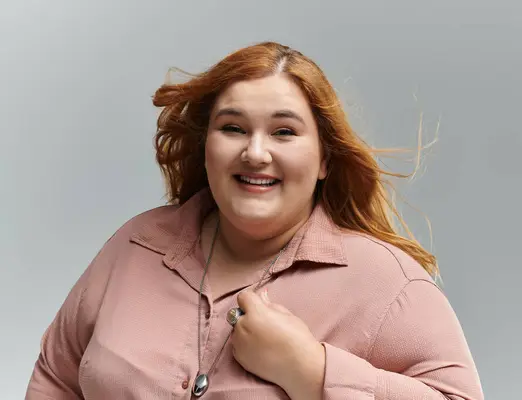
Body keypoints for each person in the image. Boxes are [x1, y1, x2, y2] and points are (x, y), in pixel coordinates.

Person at [25, 41, 484, 400]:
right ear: (207, 146)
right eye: (233, 128)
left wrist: (310, 372)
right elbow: (55, 377)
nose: (255, 152)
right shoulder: (135, 244)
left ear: (324, 158)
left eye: (284, 132)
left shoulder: (389, 284)